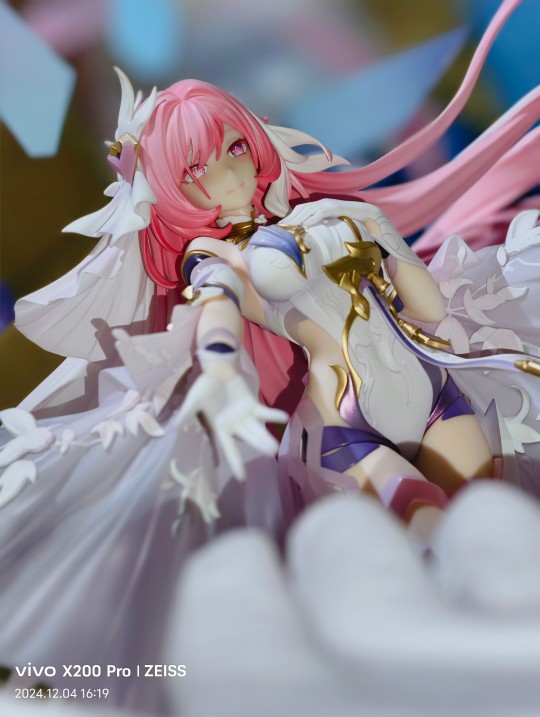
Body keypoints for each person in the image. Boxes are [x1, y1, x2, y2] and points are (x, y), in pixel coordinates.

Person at [1, 0, 539, 710]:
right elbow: (216, 313)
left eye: (233, 148)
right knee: (430, 539)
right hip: (345, 430)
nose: (226, 175)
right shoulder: (212, 257)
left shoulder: (330, 211)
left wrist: (389, 244)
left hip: (433, 387)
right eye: (197, 168)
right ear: (173, 186)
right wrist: (220, 372)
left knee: (493, 516)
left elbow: (429, 309)